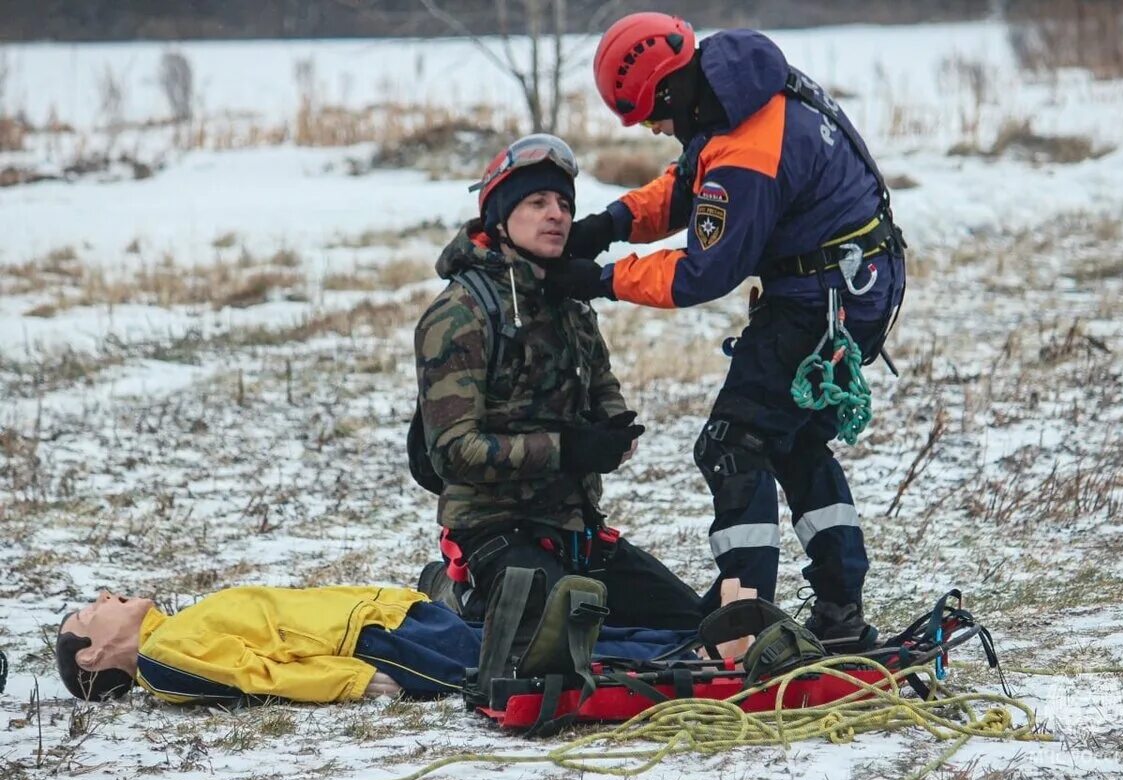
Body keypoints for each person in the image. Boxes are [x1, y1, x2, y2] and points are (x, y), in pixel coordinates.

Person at [544, 13, 908, 644]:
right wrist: (609, 223)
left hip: (821, 301)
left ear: (666, 90)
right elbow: (689, 185)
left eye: (649, 116)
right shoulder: (734, 92)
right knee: (791, 442)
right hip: (851, 286)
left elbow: (704, 272)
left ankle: (746, 618)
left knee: (731, 443)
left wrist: (602, 278)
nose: (654, 129)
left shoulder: (747, 148)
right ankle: (840, 611)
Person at [412, 133, 704, 630]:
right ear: (500, 219)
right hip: (492, 530)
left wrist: (613, 429)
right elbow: (451, 451)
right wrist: (567, 449)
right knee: (562, 627)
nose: (557, 215)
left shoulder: (570, 300)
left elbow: (603, 385)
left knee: (690, 623)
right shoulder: (459, 314)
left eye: (565, 204)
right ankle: (451, 587)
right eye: (537, 202)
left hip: (576, 529)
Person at [54, 586, 694, 704]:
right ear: (92, 657)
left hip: (388, 617)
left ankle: (694, 641)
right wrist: (355, 681)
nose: (105, 596)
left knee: (536, 639)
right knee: (532, 660)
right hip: (377, 643)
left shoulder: (177, 630)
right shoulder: (164, 664)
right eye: (90, 611)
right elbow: (259, 675)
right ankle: (693, 660)